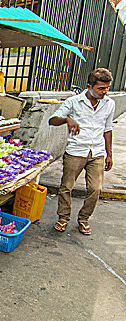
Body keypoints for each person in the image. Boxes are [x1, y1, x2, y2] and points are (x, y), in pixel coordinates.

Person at [49, 68, 114, 235]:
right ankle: (63, 217)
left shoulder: (109, 104)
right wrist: (67, 119)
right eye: (100, 88)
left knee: (95, 188)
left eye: (107, 88)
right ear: (89, 86)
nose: (104, 92)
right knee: (66, 187)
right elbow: (52, 120)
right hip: (76, 150)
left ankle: (84, 218)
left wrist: (109, 154)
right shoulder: (74, 102)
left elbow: (108, 129)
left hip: (97, 152)